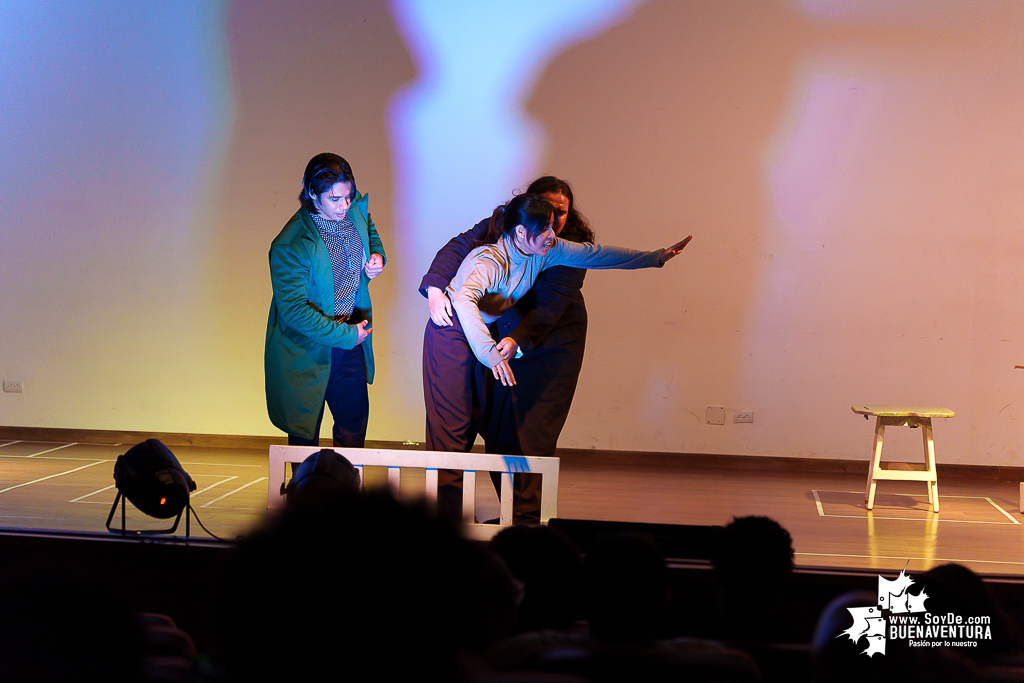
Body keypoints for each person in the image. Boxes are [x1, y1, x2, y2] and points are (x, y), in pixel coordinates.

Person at [421, 192, 690, 514]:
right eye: (545, 228)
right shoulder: (489, 260)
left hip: (482, 335)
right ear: (521, 231)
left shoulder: (544, 251)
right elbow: (464, 302)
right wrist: (490, 354)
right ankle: (444, 517)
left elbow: (596, 255)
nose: (553, 234)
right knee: (452, 426)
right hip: (452, 332)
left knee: (478, 416)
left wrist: (654, 257)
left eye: (553, 225)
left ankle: (481, 513)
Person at [420, 176, 594, 522]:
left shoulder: (569, 248)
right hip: (507, 337)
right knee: (495, 426)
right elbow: (458, 247)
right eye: (544, 209)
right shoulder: (506, 223)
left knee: (529, 430)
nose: (552, 219)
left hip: (551, 343)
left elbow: (547, 309)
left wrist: (652, 258)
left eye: (560, 212)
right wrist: (436, 288)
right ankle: (502, 515)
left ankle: (525, 519)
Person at [265, 153, 385, 450]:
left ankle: (350, 482)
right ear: (312, 194)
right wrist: (347, 336)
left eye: (348, 196)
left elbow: (368, 226)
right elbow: (295, 311)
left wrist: (377, 256)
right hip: (309, 349)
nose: (345, 205)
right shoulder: (290, 244)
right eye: (335, 199)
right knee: (304, 435)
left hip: (351, 341)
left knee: (353, 428)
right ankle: (308, 482)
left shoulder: (350, 207)